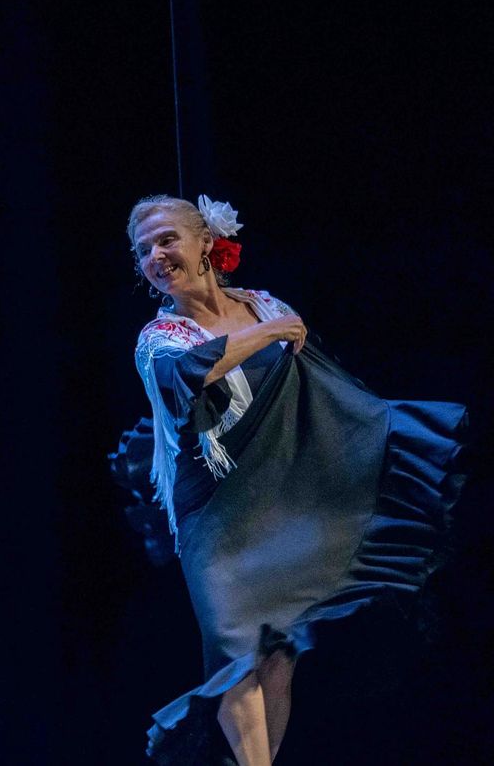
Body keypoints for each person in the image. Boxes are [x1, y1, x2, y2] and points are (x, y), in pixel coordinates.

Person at [128, 194, 465, 765]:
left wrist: (378, 436)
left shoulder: (262, 304)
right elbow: (194, 370)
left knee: (275, 653)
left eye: (166, 240)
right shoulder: (158, 338)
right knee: (237, 647)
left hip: (279, 491)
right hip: (214, 510)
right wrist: (272, 333)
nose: (156, 256)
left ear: (205, 242)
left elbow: (316, 387)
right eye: (143, 251)